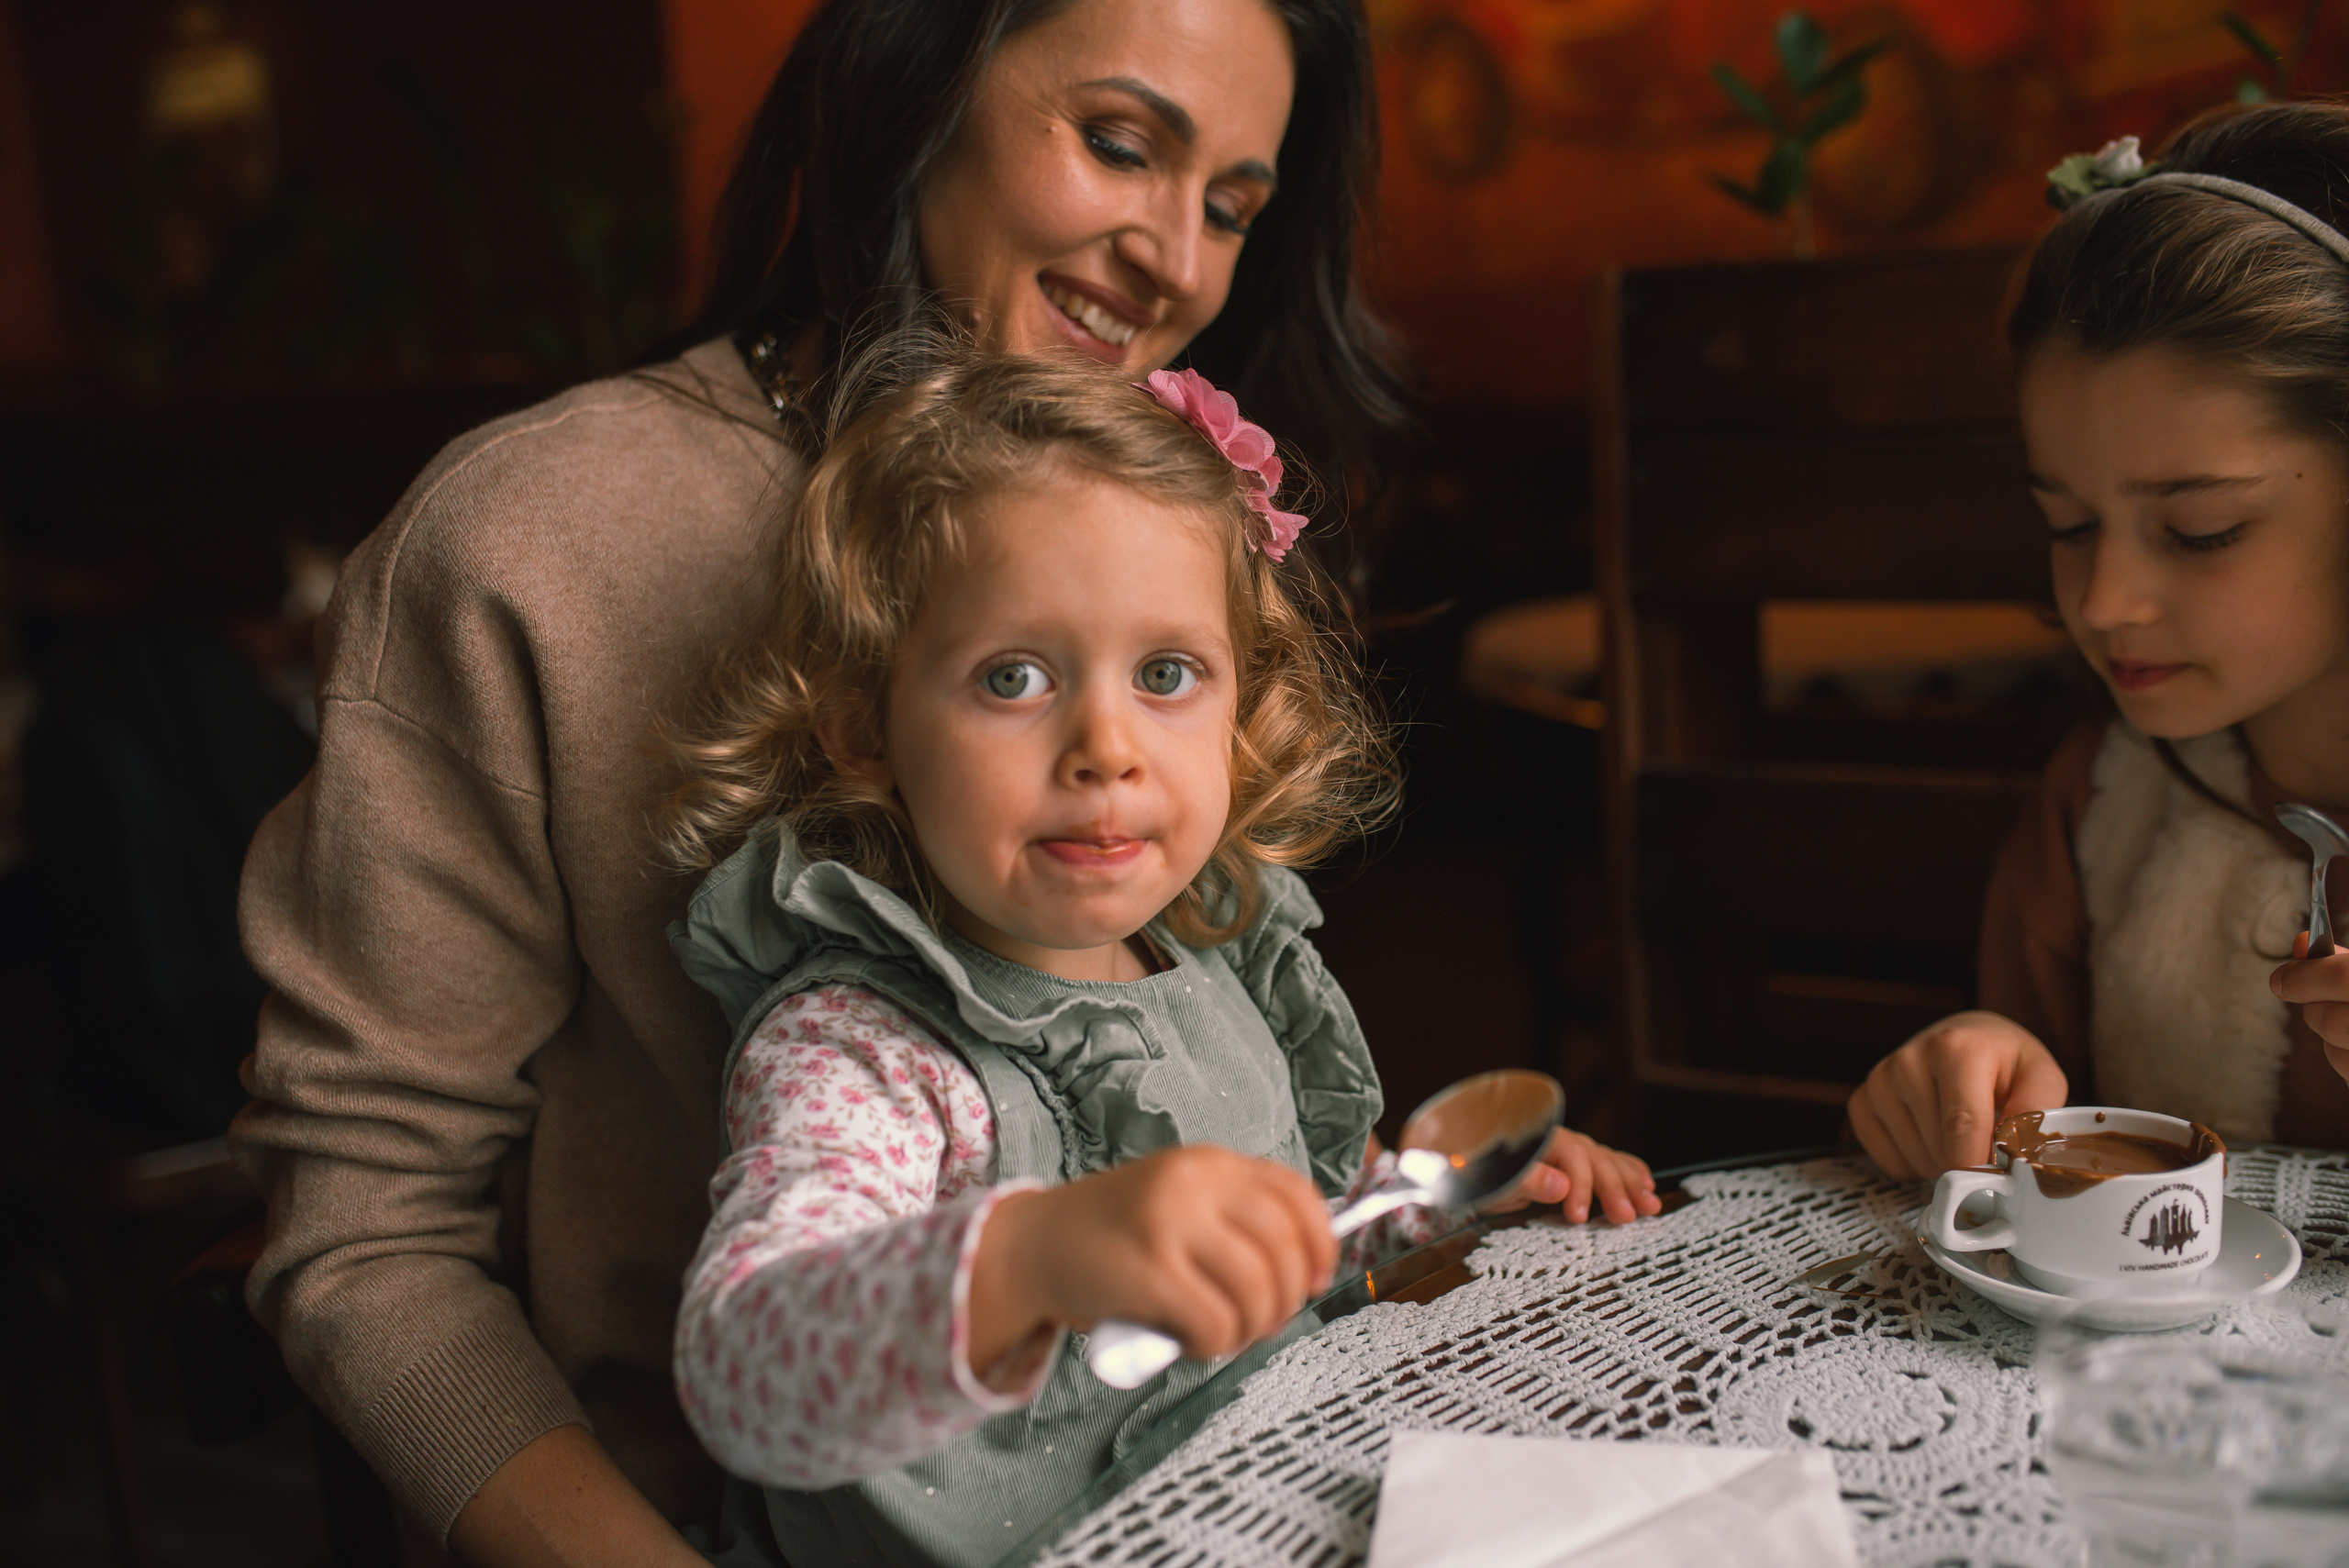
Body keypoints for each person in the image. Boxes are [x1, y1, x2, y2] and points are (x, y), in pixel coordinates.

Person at [228, 2, 1410, 1562]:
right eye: (1120, 144)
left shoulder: (1148, 535)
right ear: (917, 78)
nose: (1178, 261)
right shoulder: (527, 539)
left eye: (1234, 209)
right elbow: (367, 1234)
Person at [657, 349, 1657, 1567]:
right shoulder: (866, 1051)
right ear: (870, 730)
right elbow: (743, 1367)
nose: (1108, 747)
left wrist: (1423, 1206)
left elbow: (1285, 1255)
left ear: (1240, 713)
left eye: (1168, 674)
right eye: (1013, 677)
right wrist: (1035, 1255)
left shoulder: (1223, 968)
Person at [1848, 100, 2349, 1182]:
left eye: (2198, 529)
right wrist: (1980, 1064)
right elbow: (2047, 1144)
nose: (2107, 600)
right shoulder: (2106, 802)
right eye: (2067, 525)